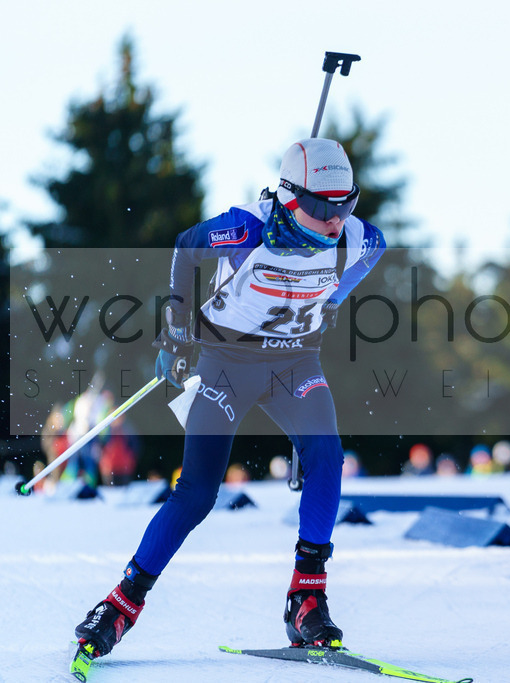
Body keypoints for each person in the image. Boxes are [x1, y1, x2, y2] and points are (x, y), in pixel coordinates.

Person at [73, 138, 385, 659]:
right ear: (289, 198)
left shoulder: (358, 239)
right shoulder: (246, 229)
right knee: (197, 492)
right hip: (226, 365)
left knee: (327, 455)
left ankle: (306, 598)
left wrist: (328, 301)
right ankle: (121, 603)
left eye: (345, 204)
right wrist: (176, 331)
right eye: (319, 206)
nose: (334, 220)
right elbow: (185, 246)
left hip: (294, 363)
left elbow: (365, 258)